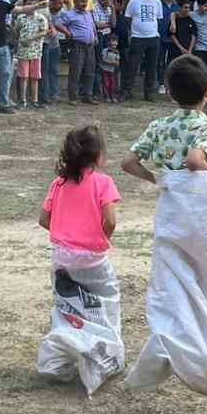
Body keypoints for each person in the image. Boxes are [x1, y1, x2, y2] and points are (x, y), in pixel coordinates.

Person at [121, 55, 207, 397]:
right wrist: (196, 172)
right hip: (199, 213)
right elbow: (196, 160)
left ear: (169, 93)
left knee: (171, 282)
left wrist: (158, 178)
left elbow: (128, 162)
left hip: (171, 211)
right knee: (205, 277)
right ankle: (200, 346)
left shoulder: (159, 126)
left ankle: (170, 342)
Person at [37, 125, 124, 394]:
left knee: (68, 310)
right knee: (104, 308)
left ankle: (56, 360)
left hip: (63, 258)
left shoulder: (59, 183)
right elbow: (110, 220)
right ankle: (102, 357)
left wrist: (66, 234)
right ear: (99, 156)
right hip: (94, 260)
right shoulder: (103, 182)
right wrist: (99, 236)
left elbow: (43, 219)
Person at [123, 0, 164, 102]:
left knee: (151, 67)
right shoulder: (134, 1)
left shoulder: (157, 2)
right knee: (132, 66)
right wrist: (136, 30)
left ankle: (149, 93)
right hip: (137, 38)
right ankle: (127, 91)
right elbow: (127, 18)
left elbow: (159, 19)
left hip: (153, 38)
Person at [13, 0, 51, 108]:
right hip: (23, 51)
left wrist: (31, 38)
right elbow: (17, 31)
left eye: (33, 1)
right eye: (29, 2)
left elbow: (44, 31)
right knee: (23, 76)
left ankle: (34, 100)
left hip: (36, 51)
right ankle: (22, 100)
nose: (31, 4)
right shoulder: (20, 18)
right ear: (24, 5)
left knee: (35, 76)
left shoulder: (41, 18)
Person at [56, 0, 97, 105]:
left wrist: (95, 36)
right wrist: (68, 32)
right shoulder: (69, 14)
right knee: (76, 72)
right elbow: (58, 24)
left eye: (85, 1)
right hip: (77, 45)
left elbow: (92, 26)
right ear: (75, 2)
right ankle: (73, 98)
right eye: (82, 1)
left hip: (90, 46)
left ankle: (87, 96)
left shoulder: (88, 13)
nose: (84, 3)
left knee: (89, 72)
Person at [101, 36, 123, 103]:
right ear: (109, 42)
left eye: (116, 41)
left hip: (112, 70)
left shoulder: (117, 51)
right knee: (106, 83)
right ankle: (106, 97)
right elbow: (103, 59)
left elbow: (118, 60)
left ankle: (112, 96)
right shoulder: (105, 50)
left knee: (112, 84)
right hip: (105, 70)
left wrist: (117, 63)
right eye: (113, 41)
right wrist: (111, 62)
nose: (115, 43)